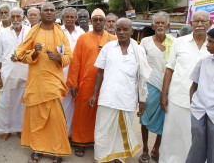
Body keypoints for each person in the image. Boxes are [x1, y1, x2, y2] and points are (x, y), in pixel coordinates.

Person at [14, 2, 72, 163]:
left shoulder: (61, 33)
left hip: (54, 81)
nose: (49, 12)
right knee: (37, 118)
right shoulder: (33, 31)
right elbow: (20, 54)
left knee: (56, 118)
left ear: (55, 14)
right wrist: (34, 53)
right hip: (37, 82)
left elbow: (68, 55)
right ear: (40, 13)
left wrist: (58, 58)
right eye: (45, 10)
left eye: (52, 10)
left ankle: (57, 151)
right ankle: (37, 150)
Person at [89, 18, 151, 163]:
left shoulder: (138, 50)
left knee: (122, 130)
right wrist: (94, 94)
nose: (121, 32)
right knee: (102, 129)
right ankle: (102, 157)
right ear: (115, 30)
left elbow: (142, 77)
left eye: (125, 29)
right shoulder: (108, 47)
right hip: (107, 96)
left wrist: (142, 100)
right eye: (119, 29)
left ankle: (119, 158)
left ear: (132, 31)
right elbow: (100, 72)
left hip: (127, 98)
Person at [159, 10, 212, 163]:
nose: (200, 24)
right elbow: (169, 69)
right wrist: (164, 94)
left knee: (197, 139)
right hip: (177, 98)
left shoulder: (212, 46)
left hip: (204, 104)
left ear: (210, 23)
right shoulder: (179, 42)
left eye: (203, 21)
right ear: (190, 24)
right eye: (196, 21)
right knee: (172, 137)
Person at [67, 8, 116, 157]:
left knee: (102, 114)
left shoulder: (113, 39)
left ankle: (97, 142)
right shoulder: (83, 38)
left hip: (106, 83)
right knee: (83, 113)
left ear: (105, 22)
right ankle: (80, 143)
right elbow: (75, 61)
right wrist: (73, 82)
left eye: (101, 19)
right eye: (96, 19)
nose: (99, 22)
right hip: (86, 82)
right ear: (91, 21)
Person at [139, 11, 173, 163]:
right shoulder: (145, 42)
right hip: (149, 85)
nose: (160, 25)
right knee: (145, 118)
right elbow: (140, 66)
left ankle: (156, 148)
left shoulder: (174, 42)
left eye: (162, 23)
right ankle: (145, 149)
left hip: (168, 86)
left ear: (168, 25)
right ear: (152, 26)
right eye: (157, 23)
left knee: (164, 119)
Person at [0, 7, 30, 141]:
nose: (15, 19)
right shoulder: (2, 33)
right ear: (10, 17)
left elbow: (32, 52)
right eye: (13, 16)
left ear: (23, 17)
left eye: (18, 16)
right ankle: (6, 130)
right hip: (7, 72)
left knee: (22, 103)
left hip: (24, 71)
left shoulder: (29, 32)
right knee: (6, 103)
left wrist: (21, 57)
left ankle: (20, 129)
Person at [185, 28, 214, 163]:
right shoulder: (204, 61)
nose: (207, 45)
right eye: (208, 41)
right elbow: (193, 86)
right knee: (197, 145)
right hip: (199, 111)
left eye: (211, 42)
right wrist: (193, 104)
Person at [61, 7, 85, 137]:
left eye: (72, 17)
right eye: (67, 17)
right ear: (63, 18)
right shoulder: (58, 31)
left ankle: (71, 135)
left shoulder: (81, 33)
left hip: (77, 77)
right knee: (62, 107)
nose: (69, 19)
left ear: (76, 19)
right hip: (61, 74)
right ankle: (62, 134)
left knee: (75, 108)